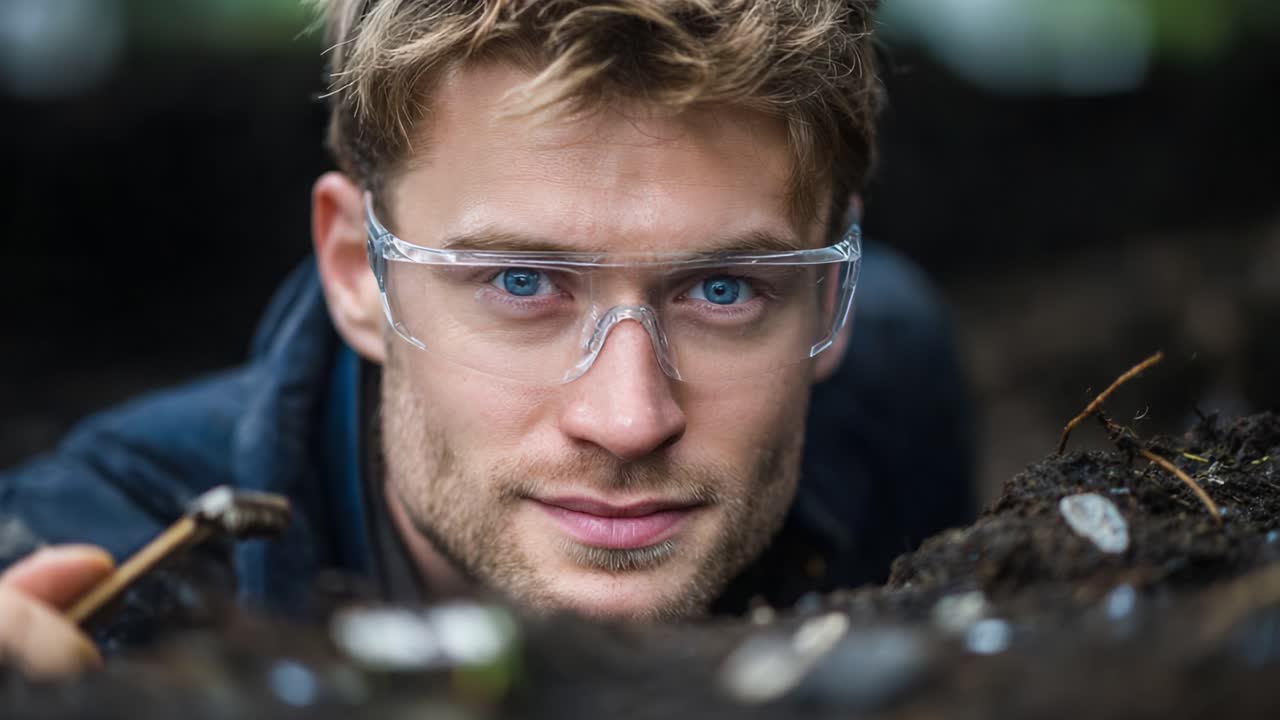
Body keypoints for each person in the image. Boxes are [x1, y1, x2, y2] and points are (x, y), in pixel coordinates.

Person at [0, 0, 973, 678]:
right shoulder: (107, 570)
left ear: (828, 288)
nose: (627, 419)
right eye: (520, 282)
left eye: (723, 289)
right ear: (353, 272)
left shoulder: (889, 380)